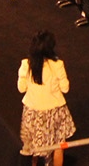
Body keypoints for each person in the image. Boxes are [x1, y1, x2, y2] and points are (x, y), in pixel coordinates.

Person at [18, 31, 75, 166]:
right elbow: (65, 88)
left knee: (32, 148)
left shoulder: (26, 65)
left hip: (33, 113)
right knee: (58, 145)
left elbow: (21, 88)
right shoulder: (57, 65)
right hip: (55, 112)